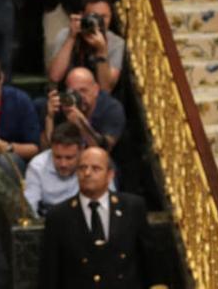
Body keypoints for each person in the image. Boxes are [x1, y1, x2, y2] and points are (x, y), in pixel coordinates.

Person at [39, 147, 166, 289]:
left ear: (110, 174)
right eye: (82, 168)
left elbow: (151, 262)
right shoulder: (59, 216)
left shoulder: (132, 207)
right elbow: (49, 273)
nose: (87, 173)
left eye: (95, 168)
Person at [47, 0, 125, 92]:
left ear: (111, 17)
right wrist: (71, 38)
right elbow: (54, 77)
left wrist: (101, 51)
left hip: (97, 97)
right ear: (82, 15)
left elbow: (106, 88)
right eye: (94, 16)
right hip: (67, 92)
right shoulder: (66, 35)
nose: (99, 21)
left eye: (104, 17)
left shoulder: (116, 43)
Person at [43, 67, 125, 152]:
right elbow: (47, 150)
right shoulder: (62, 106)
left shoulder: (111, 108)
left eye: (83, 91)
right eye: (73, 92)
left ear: (96, 90)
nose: (79, 96)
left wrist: (81, 124)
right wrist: (49, 118)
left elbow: (103, 149)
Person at [24, 122, 83, 217]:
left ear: (81, 152)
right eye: (57, 157)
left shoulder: (91, 164)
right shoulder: (37, 167)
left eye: (69, 158)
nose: (63, 164)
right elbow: (30, 208)